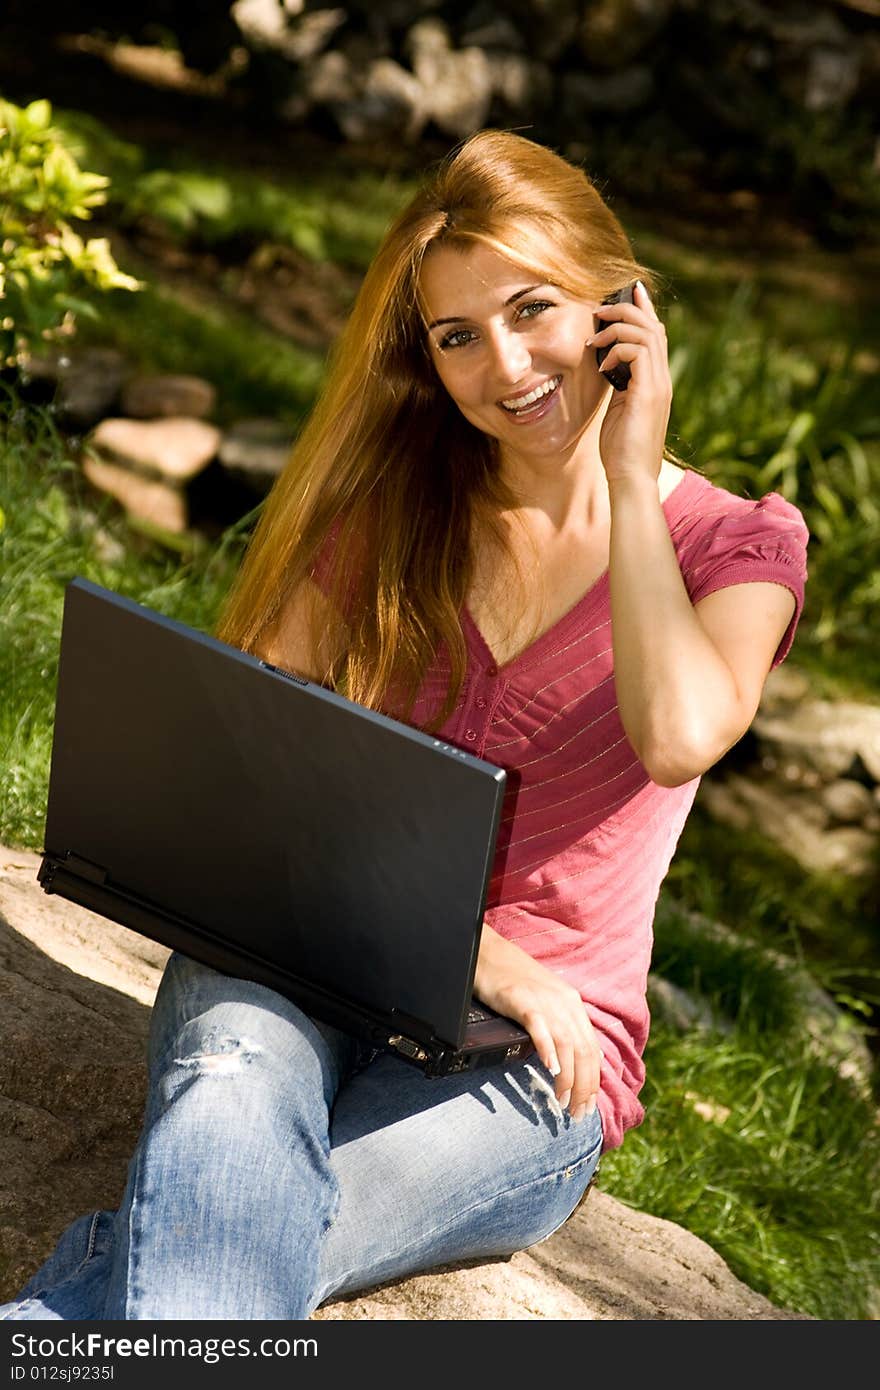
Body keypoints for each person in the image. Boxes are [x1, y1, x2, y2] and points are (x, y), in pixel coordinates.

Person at [2, 129, 808, 1322]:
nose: (508, 364)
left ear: (617, 301)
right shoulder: (388, 514)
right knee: (232, 1138)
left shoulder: (738, 544)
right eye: (456, 337)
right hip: (301, 956)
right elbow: (251, 769)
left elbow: (682, 732)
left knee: (232, 1223)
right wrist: (485, 953)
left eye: (534, 310)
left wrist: (632, 482)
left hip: (532, 1066)